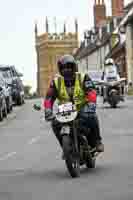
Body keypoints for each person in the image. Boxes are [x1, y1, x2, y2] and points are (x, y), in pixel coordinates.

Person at [44, 55, 104, 155]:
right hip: (65, 111)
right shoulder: (56, 82)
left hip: (82, 108)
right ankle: (65, 148)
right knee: (54, 124)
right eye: (63, 68)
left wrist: (92, 104)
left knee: (92, 117)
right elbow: (49, 98)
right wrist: (48, 109)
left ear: (74, 67)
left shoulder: (83, 77)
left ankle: (97, 141)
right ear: (60, 69)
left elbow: (91, 91)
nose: (66, 70)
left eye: (69, 67)